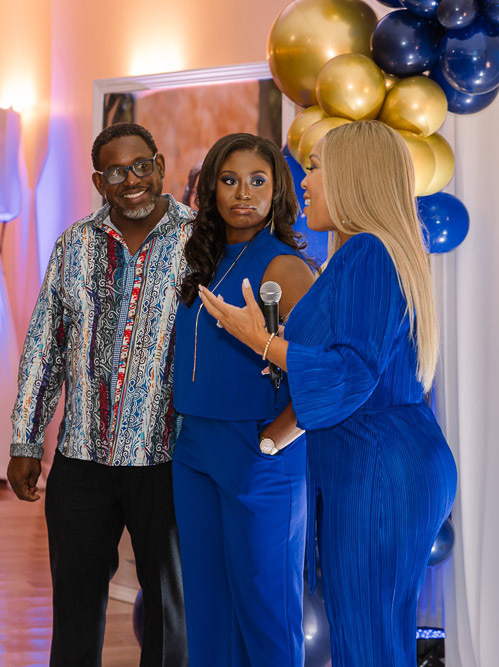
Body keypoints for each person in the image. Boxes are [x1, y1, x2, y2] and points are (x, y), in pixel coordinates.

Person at [199, 120, 457, 666]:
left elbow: (351, 372)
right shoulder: (371, 252)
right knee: (374, 635)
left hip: (377, 468)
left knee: (368, 640)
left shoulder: (367, 252)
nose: (305, 181)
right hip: (381, 459)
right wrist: (274, 438)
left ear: (352, 176)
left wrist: (259, 340)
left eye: (315, 168)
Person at [8, 122, 192, 667]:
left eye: (141, 166)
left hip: (169, 458)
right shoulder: (74, 244)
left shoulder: (200, 241)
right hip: (82, 458)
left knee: (171, 609)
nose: (131, 180)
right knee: (74, 603)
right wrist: (25, 442)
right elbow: (44, 346)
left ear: (160, 167)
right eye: (116, 172)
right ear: (98, 181)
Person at [172, 133, 315, 666]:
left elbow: (322, 369)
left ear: (278, 190)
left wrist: (276, 439)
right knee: (208, 611)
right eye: (229, 180)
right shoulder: (202, 261)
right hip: (194, 451)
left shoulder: (285, 267)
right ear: (211, 188)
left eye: (258, 180)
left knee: (266, 612)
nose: (243, 193)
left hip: (257, 452)